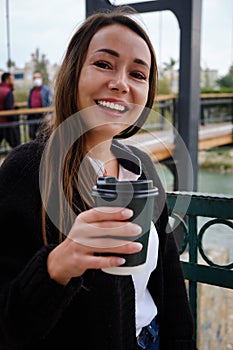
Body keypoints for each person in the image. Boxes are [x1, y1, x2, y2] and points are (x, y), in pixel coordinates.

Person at [0, 7, 197, 350]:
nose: (120, 83)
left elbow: (167, 276)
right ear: (74, 72)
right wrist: (56, 266)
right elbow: (8, 322)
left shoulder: (142, 166)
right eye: (104, 64)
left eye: (138, 74)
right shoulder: (25, 170)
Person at [27, 71, 53, 139]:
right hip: (33, 116)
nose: (36, 79)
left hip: (43, 116)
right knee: (32, 134)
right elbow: (29, 103)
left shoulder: (46, 90)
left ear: (41, 79)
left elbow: (51, 102)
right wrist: (26, 115)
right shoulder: (31, 90)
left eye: (38, 78)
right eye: (35, 78)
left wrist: (49, 114)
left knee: (43, 135)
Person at [0, 72, 20, 148]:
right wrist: (15, 117)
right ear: (7, 80)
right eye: (12, 79)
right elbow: (9, 109)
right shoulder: (8, 92)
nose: (13, 81)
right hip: (7, 124)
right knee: (17, 147)